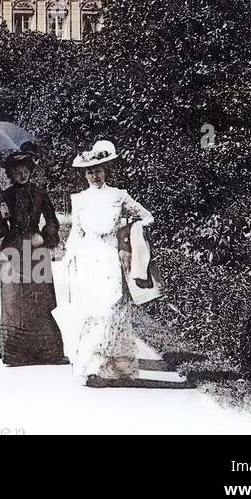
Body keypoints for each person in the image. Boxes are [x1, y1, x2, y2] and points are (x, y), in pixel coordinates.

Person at [53, 140, 154, 386]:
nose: (94, 175)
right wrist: (69, 260)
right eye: (89, 171)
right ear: (84, 174)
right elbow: (76, 232)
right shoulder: (79, 199)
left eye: (98, 170)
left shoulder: (119, 195)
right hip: (88, 257)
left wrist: (128, 231)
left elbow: (147, 217)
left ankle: (114, 366)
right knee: (90, 311)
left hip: (110, 255)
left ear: (105, 170)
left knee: (111, 309)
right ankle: (90, 366)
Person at [0, 151, 65, 366]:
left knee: (39, 297)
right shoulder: (4, 196)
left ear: (30, 171)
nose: (22, 175)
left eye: (25, 171)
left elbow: (52, 220)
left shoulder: (40, 193)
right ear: (11, 174)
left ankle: (47, 352)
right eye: (17, 172)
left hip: (36, 249)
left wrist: (45, 235)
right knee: (13, 298)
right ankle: (14, 353)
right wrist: (2, 218)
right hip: (12, 250)